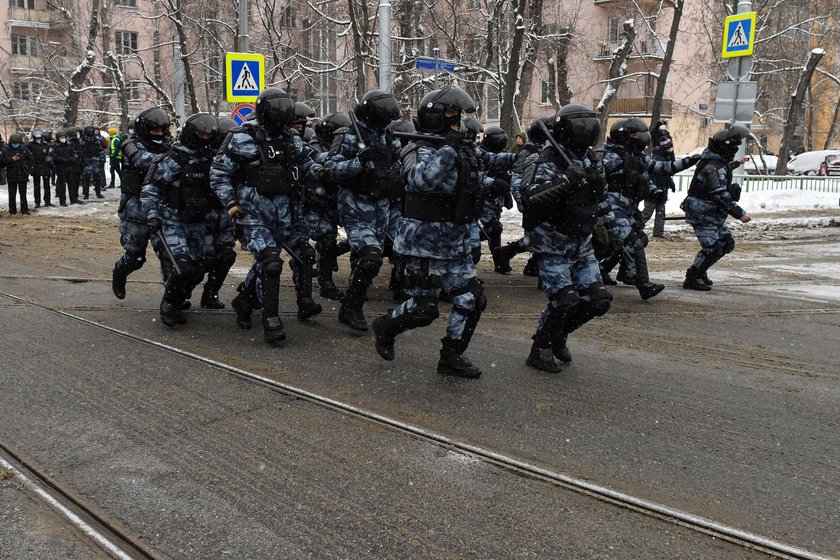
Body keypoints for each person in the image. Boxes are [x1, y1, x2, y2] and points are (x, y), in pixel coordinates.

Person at [371, 87, 509, 378]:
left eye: (458, 115)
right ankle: (385, 326)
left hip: (455, 241)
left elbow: (464, 181)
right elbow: (421, 180)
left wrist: (490, 183)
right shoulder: (416, 147)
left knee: (472, 299)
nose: (457, 121)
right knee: (424, 309)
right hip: (423, 243)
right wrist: (448, 149)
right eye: (450, 114)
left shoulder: (459, 148)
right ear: (434, 115)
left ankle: (451, 355)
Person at [210, 87, 324, 346]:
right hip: (254, 212)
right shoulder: (241, 137)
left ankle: (245, 300)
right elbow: (219, 173)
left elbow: (306, 164)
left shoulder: (292, 138)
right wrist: (230, 201)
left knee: (305, 255)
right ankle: (271, 321)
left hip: (289, 211)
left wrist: (324, 171)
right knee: (271, 262)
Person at [518, 104, 613, 373]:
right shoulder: (543, 160)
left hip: (581, 241)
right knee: (565, 301)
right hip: (552, 242)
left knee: (598, 300)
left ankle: (556, 336)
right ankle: (540, 349)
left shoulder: (591, 159)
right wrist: (564, 182)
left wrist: (608, 225)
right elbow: (529, 200)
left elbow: (599, 197)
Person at [326, 89, 402, 331]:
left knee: (368, 259)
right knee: (371, 257)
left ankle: (352, 300)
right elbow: (331, 170)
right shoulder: (348, 136)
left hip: (381, 205)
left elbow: (398, 165)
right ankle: (351, 307)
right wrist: (359, 161)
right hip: (355, 203)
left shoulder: (389, 137)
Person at [600, 118, 699, 300]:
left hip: (627, 210)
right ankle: (643, 284)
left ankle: (607, 271)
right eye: (636, 134)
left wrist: (691, 161)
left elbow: (663, 168)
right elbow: (597, 185)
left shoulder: (638, 157)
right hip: (612, 210)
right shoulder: (611, 158)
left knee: (638, 240)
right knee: (632, 242)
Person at [141, 113, 220, 326]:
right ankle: (169, 304)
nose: (204, 138)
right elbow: (150, 190)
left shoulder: (211, 160)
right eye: (200, 134)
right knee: (181, 266)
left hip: (199, 222)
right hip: (172, 221)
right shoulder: (173, 159)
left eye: (208, 135)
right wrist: (152, 215)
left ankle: (179, 297)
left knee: (198, 269)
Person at [111, 108, 172, 299]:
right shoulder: (130, 144)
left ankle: (172, 297)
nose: (159, 135)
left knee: (167, 254)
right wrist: (174, 161)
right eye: (154, 131)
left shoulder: (169, 145)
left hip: (161, 207)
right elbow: (145, 161)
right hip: (135, 209)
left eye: (162, 131)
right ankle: (120, 273)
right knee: (135, 257)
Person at [682, 125, 752, 291]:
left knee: (726, 243)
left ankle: (700, 270)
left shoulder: (717, 162)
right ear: (724, 147)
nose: (735, 150)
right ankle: (692, 278)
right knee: (713, 248)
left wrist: (738, 163)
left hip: (713, 214)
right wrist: (739, 213)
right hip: (702, 213)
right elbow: (719, 194)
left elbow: (724, 169)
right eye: (733, 147)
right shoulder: (712, 166)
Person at [308, 112, 352, 300]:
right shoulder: (313, 145)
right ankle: (325, 283)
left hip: (339, 202)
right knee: (326, 240)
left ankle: (326, 260)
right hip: (318, 203)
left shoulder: (348, 147)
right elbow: (321, 160)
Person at [475, 126, 516, 273]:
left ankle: (499, 263)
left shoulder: (503, 155)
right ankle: (470, 246)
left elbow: (509, 172)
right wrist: (491, 183)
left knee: (495, 229)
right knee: (493, 228)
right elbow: (477, 175)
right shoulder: (479, 153)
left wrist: (506, 192)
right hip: (481, 197)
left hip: (496, 199)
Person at [640, 121, 675, 238]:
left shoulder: (663, 158)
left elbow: (667, 174)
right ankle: (643, 228)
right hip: (655, 191)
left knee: (655, 212)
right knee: (651, 212)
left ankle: (657, 232)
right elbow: (659, 175)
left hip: (660, 189)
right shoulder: (658, 160)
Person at [0, 133, 32, 215]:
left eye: (16, 143)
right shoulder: (6, 150)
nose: (15, 145)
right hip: (11, 175)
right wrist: (11, 160)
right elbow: (2, 163)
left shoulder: (24, 149)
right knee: (12, 194)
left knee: (23, 194)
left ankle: (24, 210)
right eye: (14, 143)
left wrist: (27, 169)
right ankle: (12, 211)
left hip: (22, 174)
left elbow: (31, 160)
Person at [80, 125, 105, 199]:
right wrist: (81, 161)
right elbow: (80, 152)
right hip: (86, 162)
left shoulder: (97, 141)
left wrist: (102, 160)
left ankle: (98, 193)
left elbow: (101, 151)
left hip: (96, 161)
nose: (91, 132)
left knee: (97, 179)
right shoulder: (83, 141)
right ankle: (86, 193)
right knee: (86, 179)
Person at [29, 131, 53, 208]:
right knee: (37, 186)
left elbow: (50, 154)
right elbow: (29, 155)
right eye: (37, 139)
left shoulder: (47, 145)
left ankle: (47, 201)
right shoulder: (30, 145)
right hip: (36, 167)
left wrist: (49, 159)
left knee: (47, 185)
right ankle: (37, 202)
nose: (38, 140)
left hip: (45, 166)